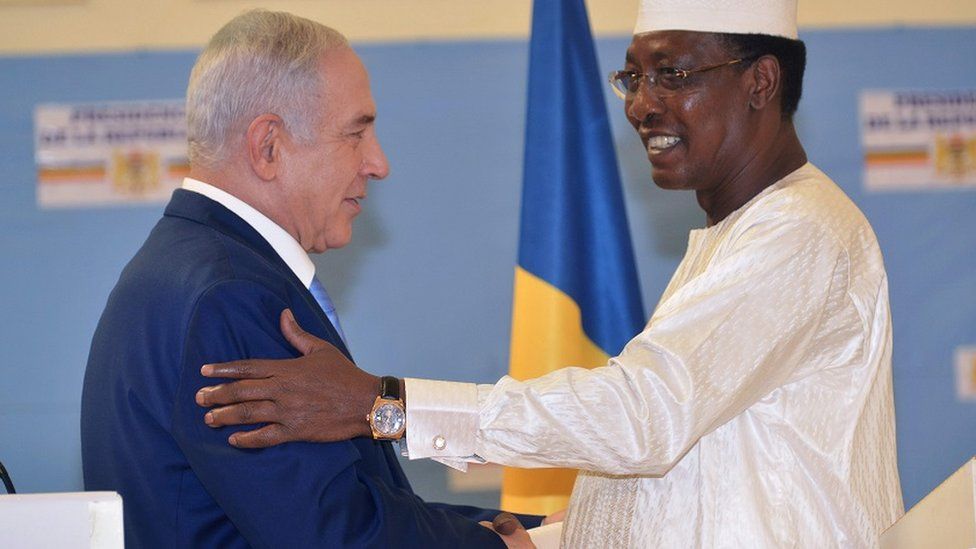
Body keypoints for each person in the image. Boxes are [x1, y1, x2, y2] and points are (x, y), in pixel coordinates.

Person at [195, 0, 905, 546]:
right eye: (634, 76)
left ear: (761, 82)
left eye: (673, 75)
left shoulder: (801, 231)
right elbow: (688, 491)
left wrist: (386, 405)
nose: (640, 104)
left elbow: (644, 418)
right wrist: (532, 538)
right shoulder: (736, 239)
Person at [80, 10, 542, 548]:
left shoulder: (191, 270)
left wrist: (541, 530)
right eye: (356, 133)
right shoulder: (229, 296)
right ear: (269, 146)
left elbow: (339, 505)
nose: (378, 163)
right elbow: (331, 535)